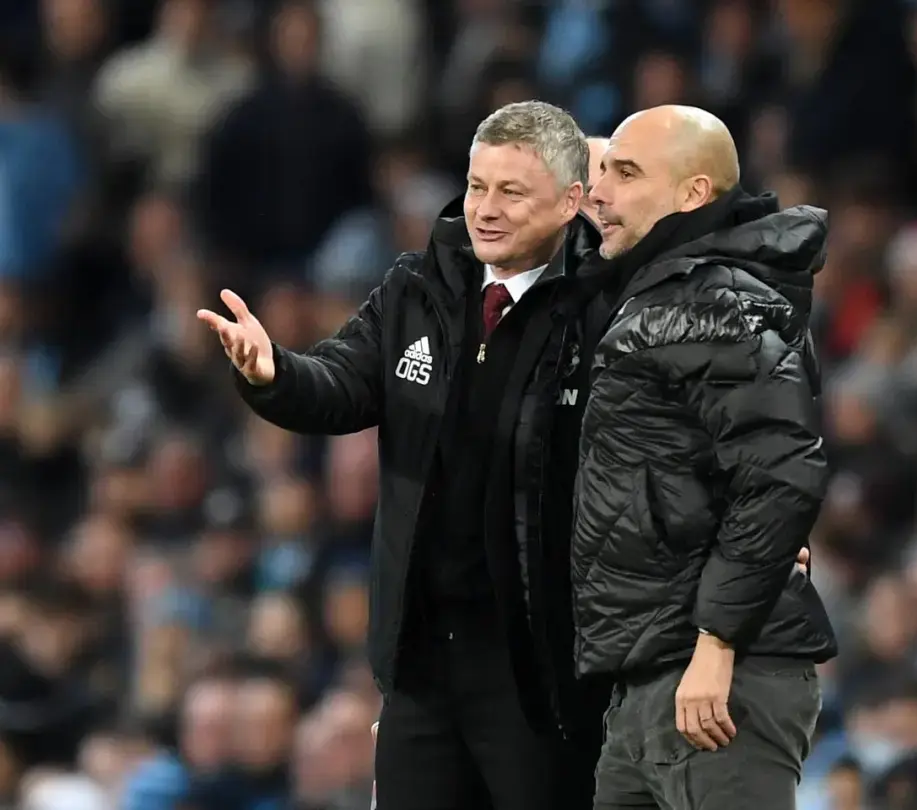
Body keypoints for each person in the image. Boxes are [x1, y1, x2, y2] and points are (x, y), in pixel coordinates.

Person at [197, 100, 613, 810]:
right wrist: (273, 373)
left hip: (539, 670)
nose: (486, 209)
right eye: (478, 186)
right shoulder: (417, 288)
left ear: (570, 202)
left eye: (512, 192)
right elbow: (339, 384)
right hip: (421, 658)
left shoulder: (603, 309)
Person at [572, 105, 838, 810]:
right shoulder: (654, 294)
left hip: (715, 677)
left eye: (626, 174)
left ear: (692, 194)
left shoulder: (713, 301)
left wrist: (717, 642)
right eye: (602, 172)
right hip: (649, 677)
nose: (600, 192)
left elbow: (781, 473)